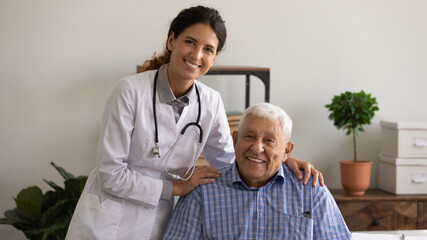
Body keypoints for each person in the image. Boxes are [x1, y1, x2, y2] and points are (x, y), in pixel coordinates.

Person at [65, 6, 323, 240]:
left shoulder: (210, 102)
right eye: (190, 42)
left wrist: (281, 159)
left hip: (157, 223)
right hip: (105, 222)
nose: (197, 55)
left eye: (208, 49)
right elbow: (111, 174)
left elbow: (230, 160)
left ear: (215, 56)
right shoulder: (130, 90)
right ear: (171, 40)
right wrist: (176, 187)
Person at [163, 103, 351, 240]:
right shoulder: (202, 192)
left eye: (269, 141)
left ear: (286, 151)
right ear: (235, 140)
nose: (256, 148)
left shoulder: (311, 191)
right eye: (249, 136)